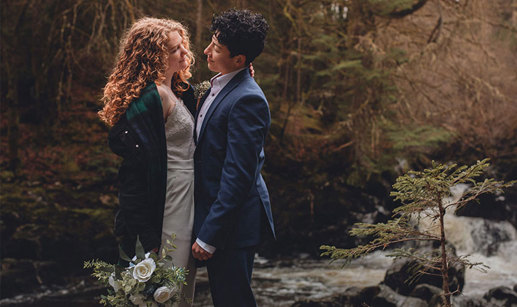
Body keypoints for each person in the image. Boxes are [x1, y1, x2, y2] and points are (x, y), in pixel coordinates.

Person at [98, 17, 197, 306]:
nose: (184, 54)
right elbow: (135, 169)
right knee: (163, 285)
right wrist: (148, 232)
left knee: (180, 282)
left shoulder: (178, 90)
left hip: (186, 195)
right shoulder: (151, 97)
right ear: (155, 55)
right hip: (167, 199)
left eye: (183, 46)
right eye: (175, 49)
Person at [191, 9, 276, 306]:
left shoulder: (247, 100)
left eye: (216, 48)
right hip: (217, 215)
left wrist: (208, 236)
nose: (206, 51)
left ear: (239, 60)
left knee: (233, 301)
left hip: (233, 226)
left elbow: (239, 175)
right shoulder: (221, 84)